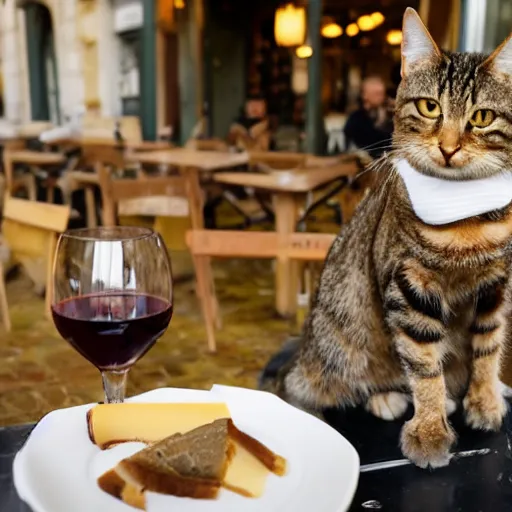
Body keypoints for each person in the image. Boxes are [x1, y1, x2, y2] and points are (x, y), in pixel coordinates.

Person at [344, 76, 394, 159]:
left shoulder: (388, 115)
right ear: (364, 95)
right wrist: (381, 124)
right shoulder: (356, 119)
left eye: (382, 93)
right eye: (377, 94)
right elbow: (371, 145)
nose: (382, 97)